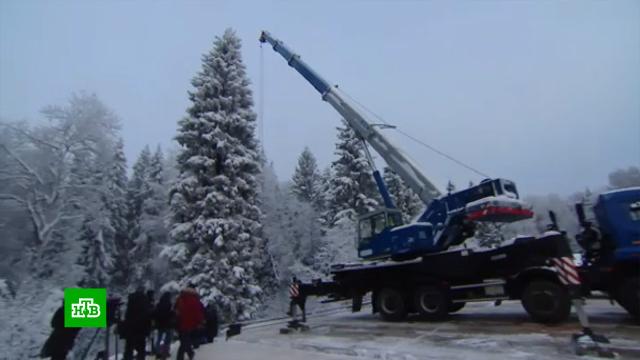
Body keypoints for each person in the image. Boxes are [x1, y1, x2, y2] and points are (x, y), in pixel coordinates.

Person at [174, 284, 205, 360]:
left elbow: (175, 309)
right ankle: (188, 354)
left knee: (184, 340)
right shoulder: (195, 299)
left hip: (180, 322)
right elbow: (198, 312)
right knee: (185, 340)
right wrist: (200, 322)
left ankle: (185, 355)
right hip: (191, 323)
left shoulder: (180, 297)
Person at [121, 287, 152, 360]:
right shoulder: (145, 300)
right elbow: (147, 314)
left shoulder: (131, 299)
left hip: (130, 328)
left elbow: (127, 314)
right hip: (141, 328)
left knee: (129, 348)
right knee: (141, 349)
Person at [152, 292, 175, 359]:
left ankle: (158, 352)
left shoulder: (158, 305)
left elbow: (155, 314)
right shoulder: (170, 305)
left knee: (159, 339)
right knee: (167, 340)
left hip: (160, 325)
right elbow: (171, 314)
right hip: (168, 324)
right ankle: (165, 353)